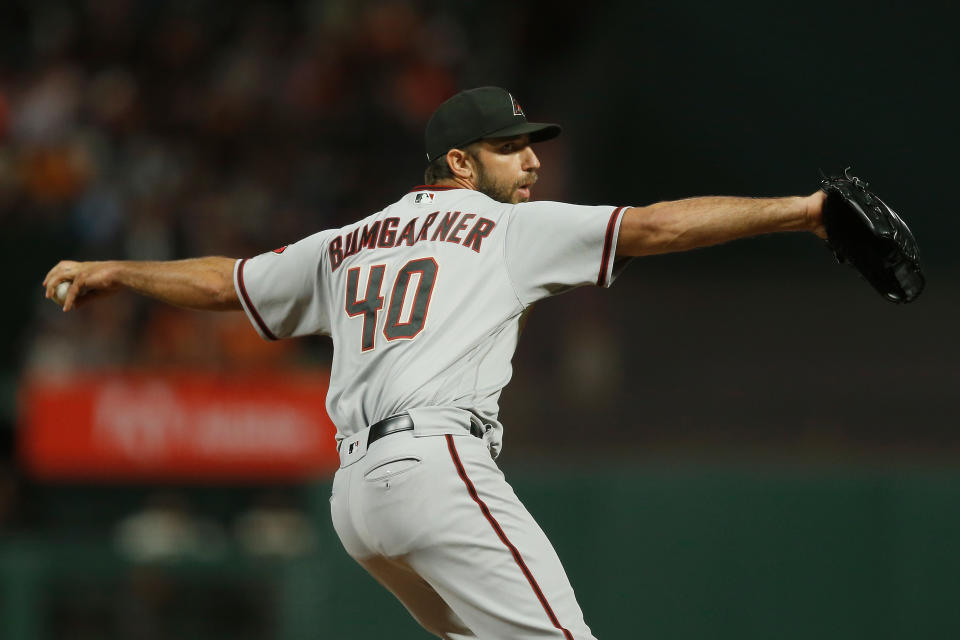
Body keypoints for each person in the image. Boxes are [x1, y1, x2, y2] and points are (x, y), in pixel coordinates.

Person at [44, 86, 827, 639]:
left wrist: (119, 273)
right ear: (458, 162)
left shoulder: (345, 242)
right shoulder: (505, 228)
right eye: (509, 148)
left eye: (531, 147)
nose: (530, 164)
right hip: (435, 466)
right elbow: (656, 227)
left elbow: (228, 280)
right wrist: (804, 212)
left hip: (355, 501)